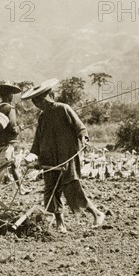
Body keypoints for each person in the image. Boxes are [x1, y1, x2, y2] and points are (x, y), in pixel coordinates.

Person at [22, 78, 105, 233]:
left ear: (47, 97)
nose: (38, 104)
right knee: (50, 191)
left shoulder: (63, 109)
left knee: (72, 188)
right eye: (35, 102)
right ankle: (60, 223)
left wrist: (84, 139)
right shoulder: (42, 117)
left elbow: (80, 128)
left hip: (67, 157)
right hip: (48, 160)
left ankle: (97, 213)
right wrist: (32, 155)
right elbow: (37, 140)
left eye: (39, 100)